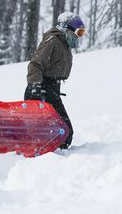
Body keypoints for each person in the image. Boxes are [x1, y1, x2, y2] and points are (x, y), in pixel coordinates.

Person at [24, 11, 84, 149]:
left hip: (52, 90)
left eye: (82, 33)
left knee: (65, 134)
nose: (79, 37)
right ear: (67, 29)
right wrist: (35, 87)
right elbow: (35, 64)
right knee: (64, 133)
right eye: (78, 32)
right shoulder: (52, 41)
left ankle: (49, 151)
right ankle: (37, 150)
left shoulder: (64, 44)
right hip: (40, 90)